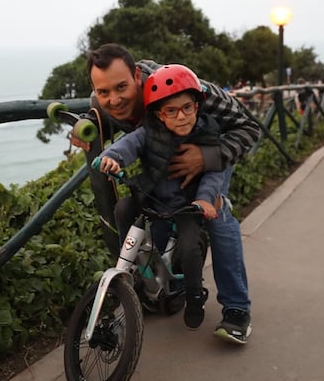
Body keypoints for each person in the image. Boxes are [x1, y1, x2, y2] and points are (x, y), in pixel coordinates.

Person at [83, 44, 261, 344]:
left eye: (122, 87)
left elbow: (249, 129)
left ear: (138, 76)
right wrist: (83, 126)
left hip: (213, 149)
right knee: (148, 211)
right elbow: (97, 120)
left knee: (217, 215)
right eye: (104, 92)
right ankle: (159, 284)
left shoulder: (190, 89)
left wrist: (205, 158)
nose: (113, 99)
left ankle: (236, 309)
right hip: (161, 157)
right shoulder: (101, 101)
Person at [96, 64, 222, 330]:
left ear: (197, 106)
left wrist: (205, 199)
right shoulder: (148, 131)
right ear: (159, 115)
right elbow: (127, 145)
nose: (181, 117)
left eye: (188, 107)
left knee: (189, 248)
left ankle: (194, 295)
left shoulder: (206, 135)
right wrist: (112, 158)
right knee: (123, 209)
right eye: (171, 111)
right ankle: (128, 264)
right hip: (153, 197)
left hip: (188, 205)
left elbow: (213, 173)